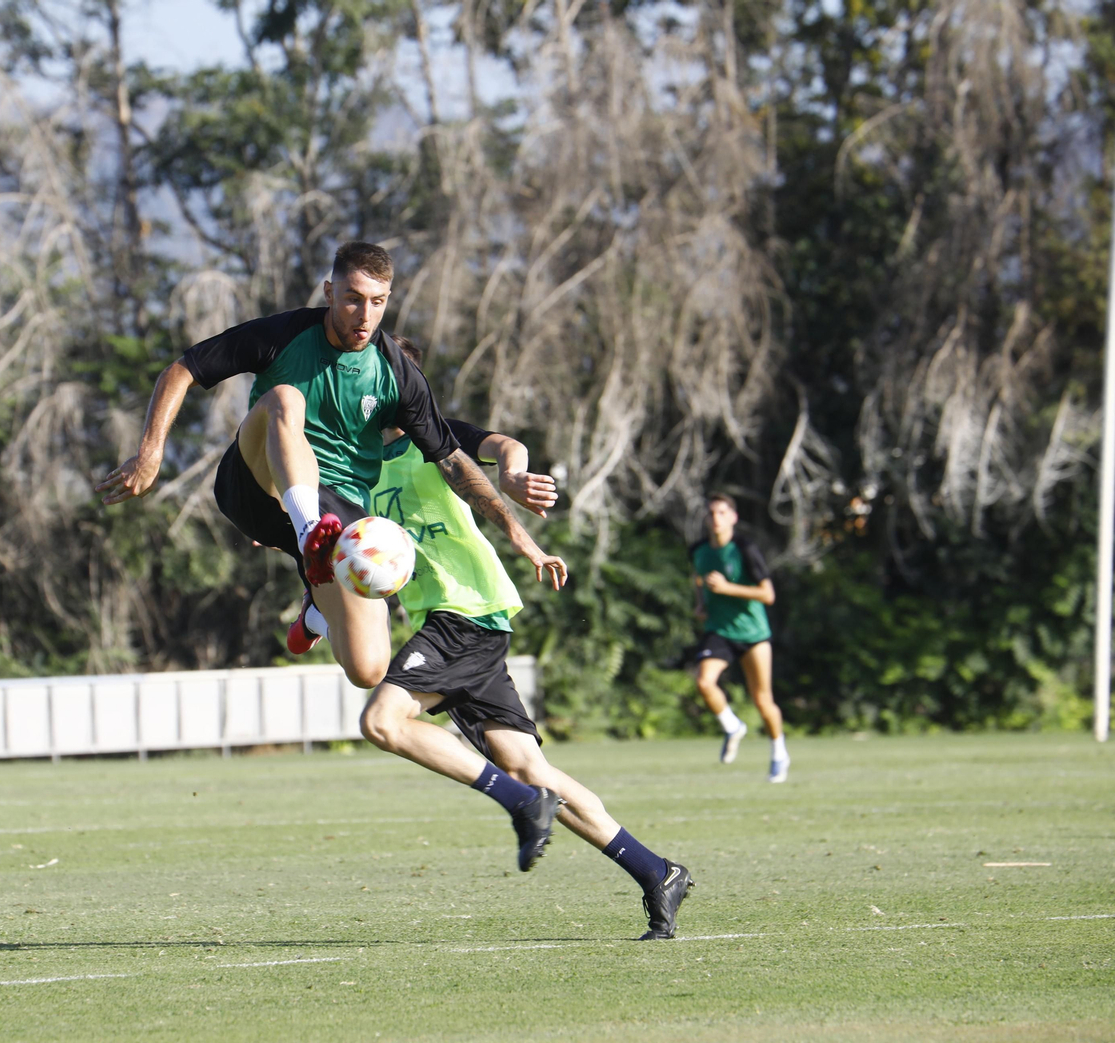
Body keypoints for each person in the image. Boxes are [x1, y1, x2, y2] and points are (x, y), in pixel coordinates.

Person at [96, 241, 563, 693]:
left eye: (377, 302)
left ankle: (316, 611)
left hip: (338, 509)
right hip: (256, 483)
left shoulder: (398, 375)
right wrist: (150, 453)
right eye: (353, 298)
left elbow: (455, 463)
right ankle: (310, 537)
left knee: (368, 669)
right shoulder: (283, 334)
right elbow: (183, 370)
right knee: (285, 398)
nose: (365, 315)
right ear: (328, 292)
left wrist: (519, 535)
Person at [358, 338, 693, 938]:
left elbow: (505, 445)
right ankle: (656, 871)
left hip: (464, 613)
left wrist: (512, 475)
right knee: (530, 768)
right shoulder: (355, 457)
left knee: (383, 721)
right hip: (457, 622)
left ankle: (516, 803)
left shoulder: (434, 434)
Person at [689, 493, 789, 783]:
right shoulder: (698, 550)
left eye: (722, 513)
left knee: (762, 700)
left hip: (753, 634)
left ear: (733, 517)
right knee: (704, 682)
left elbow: (767, 594)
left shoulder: (744, 548)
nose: (716, 519)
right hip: (719, 630)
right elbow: (698, 578)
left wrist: (726, 588)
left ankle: (779, 753)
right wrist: (700, 603)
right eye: (711, 513)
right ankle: (732, 726)